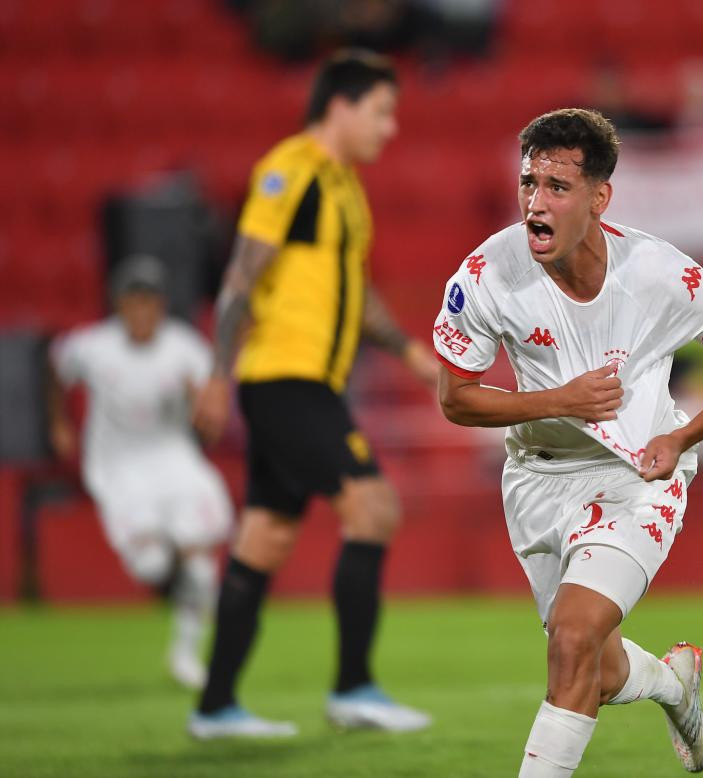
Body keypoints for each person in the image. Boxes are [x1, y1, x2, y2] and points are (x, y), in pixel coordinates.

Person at [434, 108, 703, 776]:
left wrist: (681, 436)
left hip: (635, 479)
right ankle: (674, 687)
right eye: (528, 182)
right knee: (596, 666)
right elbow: (456, 398)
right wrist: (560, 401)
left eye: (557, 187)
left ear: (599, 198)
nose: (536, 202)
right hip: (536, 481)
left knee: (571, 638)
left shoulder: (658, 273)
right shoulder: (485, 276)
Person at [187, 49, 438, 739]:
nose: (390, 129)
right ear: (342, 105)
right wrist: (216, 374)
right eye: (383, 112)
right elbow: (240, 277)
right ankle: (353, 688)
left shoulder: (345, 190)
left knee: (263, 539)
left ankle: (215, 707)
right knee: (374, 507)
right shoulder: (289, 171)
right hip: (284, 380)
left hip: (303, 384)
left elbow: (355, 297)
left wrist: (414, 354)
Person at [47, 255, 231, 691]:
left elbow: (204, 393)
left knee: (202, 564)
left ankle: (186, 654)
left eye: (150, 302)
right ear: (119, 306)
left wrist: (201, 405)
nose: (142, 312)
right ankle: (177, 571)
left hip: (172, 456)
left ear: (161, 306)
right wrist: (58, 423)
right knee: (150, 565)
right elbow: (55, 367)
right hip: (118, 465)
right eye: (134, 302)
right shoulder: (91, 346)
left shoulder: (182, 346)